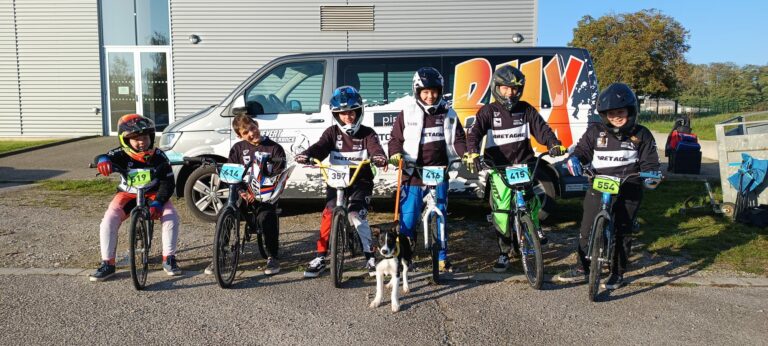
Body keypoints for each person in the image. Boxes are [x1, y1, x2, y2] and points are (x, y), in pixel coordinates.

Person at [556, 83, 661, 289]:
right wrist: (575, 160)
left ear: (630, 111)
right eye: (611, 113)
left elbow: (650, 161)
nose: (616, 117)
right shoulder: (595, 131)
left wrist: (651, 175)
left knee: (623, 230)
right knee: (586, 229)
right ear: (604, 114)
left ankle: (617, 272)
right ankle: (582, 268)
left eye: (620, 112)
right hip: (598, 184)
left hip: (628, 186)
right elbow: (581, 151)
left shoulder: (642, 134)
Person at [464, 65, 566, 273]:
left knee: (530, 201)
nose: (510, 93)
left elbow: (542, 129)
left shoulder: (526, 109)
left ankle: (534, 227)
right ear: (496, 88)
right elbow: (474, 134)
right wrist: (473, 152)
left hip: (524, 164)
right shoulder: (488, 112)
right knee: (501, 211)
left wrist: (553, 143)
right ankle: (504, 252)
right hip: (498, 168)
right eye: (505, 88)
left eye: (514, 89)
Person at [295, 86, 388, 278]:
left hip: (360, 180)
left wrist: (378, 157)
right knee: (329, 213)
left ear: (359, 112)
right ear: (336, 115)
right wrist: (307, 155)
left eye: (352, 112)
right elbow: (320, 147)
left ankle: (370, 257)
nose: (348, 117)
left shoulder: (367, 133)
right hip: (336, 179)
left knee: (356, 214)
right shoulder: (331, 133)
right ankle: (321, 257)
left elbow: (375, 148)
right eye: (343, 113)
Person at [387, 67, 467, 273]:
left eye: (434, 92)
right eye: (425, 92)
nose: (430, 96)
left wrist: (465, 153)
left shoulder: (449, 113)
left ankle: (442, 257)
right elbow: (395, 139)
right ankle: (405, 257)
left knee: (440, 215)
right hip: (413, 173)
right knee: (408, 218)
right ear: (417, 92)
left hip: (439, 172)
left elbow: (458, 139)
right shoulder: (407, 113)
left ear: (440, 91)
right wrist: (395, 154)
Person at [90, 114, 181, 281]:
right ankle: (108, 263)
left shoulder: (159, 156)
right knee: (108, 220)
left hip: (154, 194)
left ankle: (169, 258)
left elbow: (168, 183)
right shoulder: (120, 153)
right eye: (136, 138)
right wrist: (102, 160)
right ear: (125, 140)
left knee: (171, 217)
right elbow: (103, 156)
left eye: (145, 137)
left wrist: (159, 202)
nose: (142, 142)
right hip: (127, 195)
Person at [204, 108, 287, 275]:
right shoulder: (237, 149)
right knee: (224, 213)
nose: (251, 133)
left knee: (266, 217)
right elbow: (232, 173)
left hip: (264, 194)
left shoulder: (275, 149)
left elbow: (278, 175)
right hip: (242, 193)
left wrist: (258, 191)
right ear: (240, 135)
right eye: (246, 132)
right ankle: (220, 253)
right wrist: (242, 192)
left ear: (257, 125)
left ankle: (272, 256)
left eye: (252, 128)